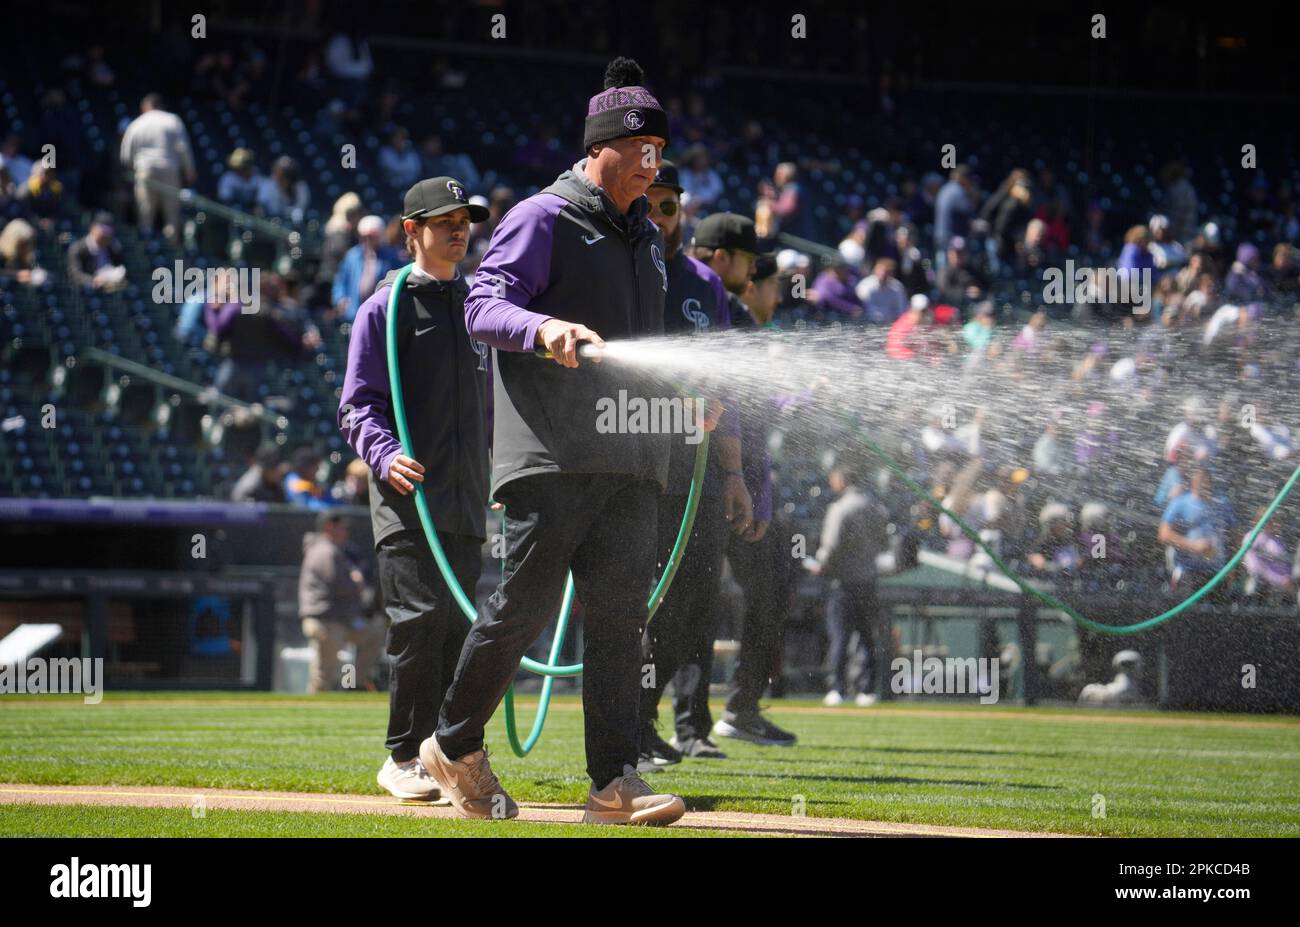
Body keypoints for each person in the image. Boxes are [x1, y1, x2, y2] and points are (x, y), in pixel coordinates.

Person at [418, 57, 688, 827]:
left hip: (632, 460)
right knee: (523, 607)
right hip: (551, 454)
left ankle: (613, 781)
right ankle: (453, 741)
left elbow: (647, 352)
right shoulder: (543, 216)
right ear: (602, 147)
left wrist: (683, 407)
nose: (653, 169)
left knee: (618, 621)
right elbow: (482, 306)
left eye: (661, 156)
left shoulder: (649, 239)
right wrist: (545, 328)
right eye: (643, 155)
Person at [339, 175, 491, 803]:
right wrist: (386, 453)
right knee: (418, 621)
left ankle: (444, 752)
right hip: (407, 499)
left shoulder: (482, 306)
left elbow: (496, 407)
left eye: (465, 219)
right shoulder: (384, 307)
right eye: (445, 220)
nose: (460, 229)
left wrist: (502, 473)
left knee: (459, 628)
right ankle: (402, 755)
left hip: (469, 498)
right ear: (412, 233)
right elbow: (357, 406)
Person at [636, 178, 750, 770]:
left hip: (698, 472)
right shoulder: (622, 267)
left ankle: (687, 726)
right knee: (643, 606)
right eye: (648, 203)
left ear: (683, 210)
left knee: (698, 604)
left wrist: (734, 475)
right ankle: (635, 725)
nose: (657, 216)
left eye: (668, 206)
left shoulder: (706, 285)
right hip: (637, 470)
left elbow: (723, 387)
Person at [806, 464, 891, 706]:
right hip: (869, 580)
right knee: (867, 636)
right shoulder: (876, 507)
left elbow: (830, 546)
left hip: (843, 582)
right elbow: (884, 544)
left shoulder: (839, 508)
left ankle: (838, 688)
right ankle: (867, 689)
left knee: (840, 636)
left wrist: (819, 564)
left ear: (840, 481)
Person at [299, 511, 386, 694]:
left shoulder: (336, 549)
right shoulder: (324, 550)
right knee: (323, 677)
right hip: (325, 620)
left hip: (342, 620)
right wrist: (356, 582)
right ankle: (312, 711)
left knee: (376, 631)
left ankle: (355, 682)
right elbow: (338, 585)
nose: (345, 531)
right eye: (341, 526)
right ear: (328, 527)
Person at [119, 93, 195, 241]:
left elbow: (125, 155)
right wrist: (189, 170)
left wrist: (132, 169)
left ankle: (147, 247)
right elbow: (183, 147)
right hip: (169, 170)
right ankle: (171, 249)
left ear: (146, 106)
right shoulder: (172, 120)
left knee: (145, 212)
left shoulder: (137, 123)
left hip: (145, 170)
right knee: (171, 214)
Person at [332, 214, 401, 321]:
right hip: (354, 315)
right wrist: (340, 298)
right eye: (364, 237)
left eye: (372, 236)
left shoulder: (392, 256)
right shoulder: (352, 256)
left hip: (382, 314)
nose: (367, 240)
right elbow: (341, 281)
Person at [67, 211, 126, 290]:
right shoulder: (78, 249)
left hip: (110, 289)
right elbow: (75, 275)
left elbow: (121, 267)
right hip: (86, 292)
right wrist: (94, 280)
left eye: (109, 233)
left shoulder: (113, 248)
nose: (106, 236)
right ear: (93, 228)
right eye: (104, 231)